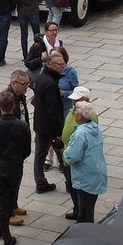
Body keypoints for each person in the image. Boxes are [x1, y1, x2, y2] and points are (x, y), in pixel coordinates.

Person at [0, 90, 31, 245]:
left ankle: (3, 230)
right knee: (11, 196)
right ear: (14, 106)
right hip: (16, 166)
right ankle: (5, 234)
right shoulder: (23, 126)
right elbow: (27, 150)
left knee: (1, 200)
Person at [30, 49, 68, 194]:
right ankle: (70, 183)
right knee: (61, 154)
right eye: (60, 65)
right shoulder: (50, 83)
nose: (62, 67)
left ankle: (40, 182)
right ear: (51, 64)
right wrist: (58, 131)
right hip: (49, 126)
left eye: (63, 64)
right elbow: (53, 109)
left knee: (39, 154)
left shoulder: (42, 77)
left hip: (40, 123)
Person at [63, 102, 108, 224]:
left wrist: (65, 151)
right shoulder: (95, 128)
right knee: (87, 208)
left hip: (85, 176)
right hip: (96, 173)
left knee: (86, 213)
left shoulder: (80, 134)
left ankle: (85, 234)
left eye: (76, 113)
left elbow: (72, 157)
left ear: (79, 116)